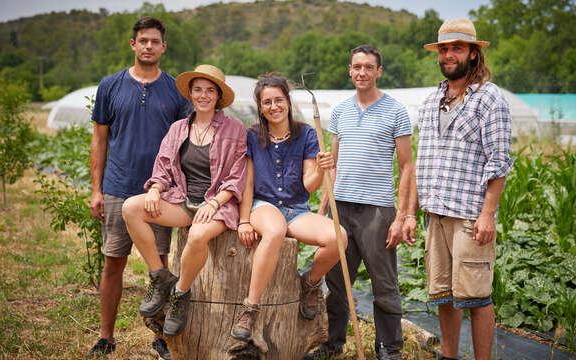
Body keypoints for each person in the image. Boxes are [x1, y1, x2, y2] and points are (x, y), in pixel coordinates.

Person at [403, 18, 513, 360]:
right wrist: (410, 213)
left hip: (469, 215)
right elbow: (422, 162)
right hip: (435, 213)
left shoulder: (489, 99)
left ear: (473, 54)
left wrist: (487, 215)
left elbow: (499, 162)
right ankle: (448, 355)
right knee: (444, 295)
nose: (449, 54)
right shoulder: (432, 99)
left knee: (477, 297)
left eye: (457, 48)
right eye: (445, 49)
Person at [88, 16, 190, 359]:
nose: (148, 46)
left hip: (158, 194)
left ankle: (160, 338)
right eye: (142, 40)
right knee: (113, 263)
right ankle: (106, 337)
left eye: (154, 41)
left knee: (158, 267)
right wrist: (96, 189)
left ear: (164, 47)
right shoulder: (110, 86)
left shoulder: (176, 90)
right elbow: (99, 139)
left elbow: (184, 144)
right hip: (118, 187)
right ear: (133, 44)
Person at [121, 63, 247, 338]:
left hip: (219, 205)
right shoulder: (178, 128)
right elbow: (164, 167)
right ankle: (159, 276)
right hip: (183, 201)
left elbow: (237, 175)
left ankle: (180, 294)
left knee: (198, 235)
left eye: (210, 91)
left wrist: (214, 203)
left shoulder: (234, 129)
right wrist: (155, 189)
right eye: (198, 89)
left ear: (218, 96)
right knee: (131, 207)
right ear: (190, 94)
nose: (203, 95)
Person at [308, 45, 413, 360]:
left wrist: (401, 216)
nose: (362, 73)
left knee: (384, 283)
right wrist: (324, 209)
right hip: (342, 207)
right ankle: (333, 344)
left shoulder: (395, 110)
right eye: (357, 67)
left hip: (377, 211)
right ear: (350, 70)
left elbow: (408, 166)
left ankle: (389, 349)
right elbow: (332, 166)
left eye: (369, 67)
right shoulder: (340, 111)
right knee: (337, 282)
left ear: (379, 71)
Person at [232, 75, 347, 341]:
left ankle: (310, 283)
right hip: (264, 205)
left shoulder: (306, 134)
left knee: (338, 237)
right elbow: (247, 182)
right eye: (267, 102)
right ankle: (250, 308)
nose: (274, 106)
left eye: (279, 100)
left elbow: (309, 186)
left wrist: (321, 168)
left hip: (297, 208)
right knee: (274, 231)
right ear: (260, 107)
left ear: (288, 102)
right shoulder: (252, 136)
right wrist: (244, 219)